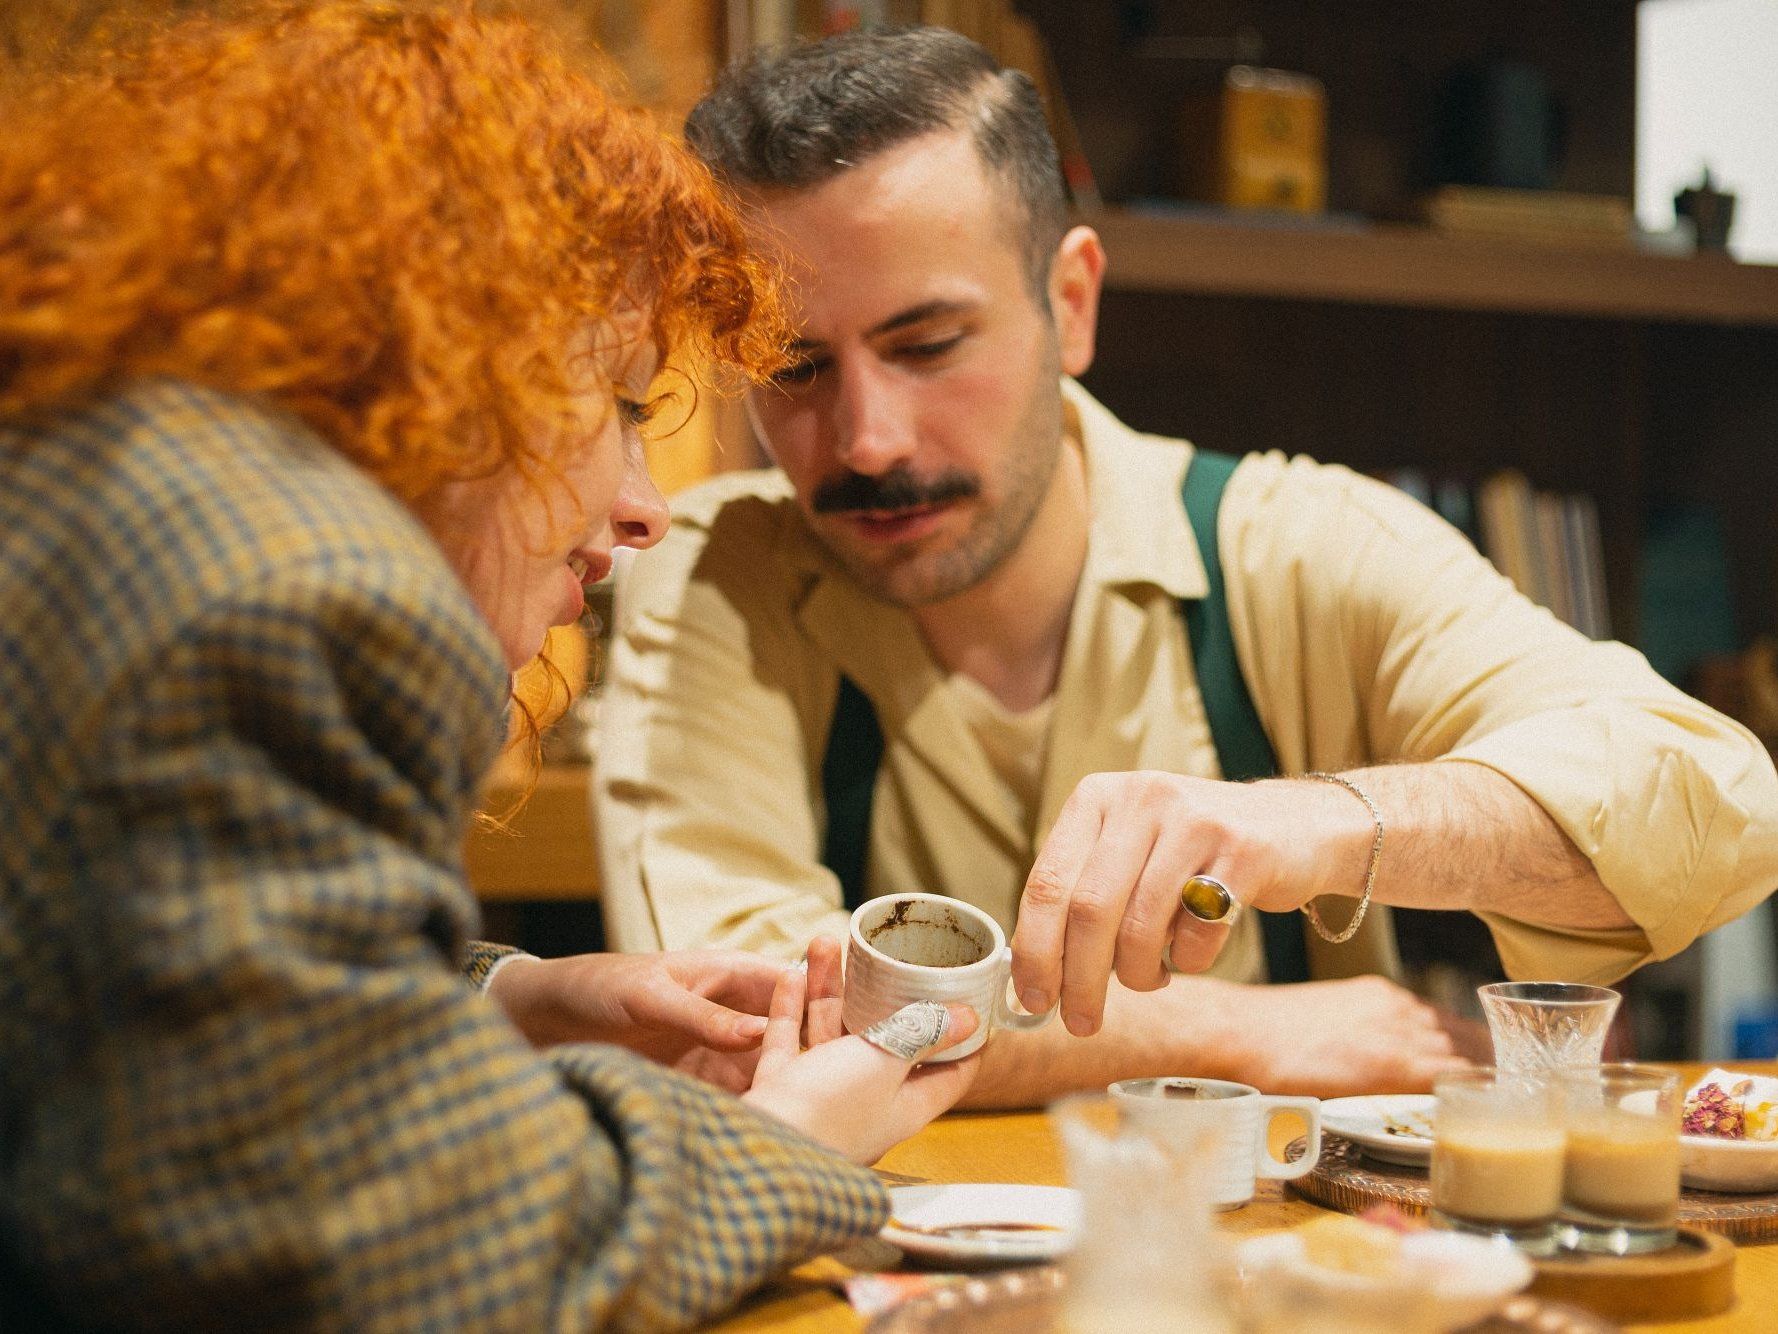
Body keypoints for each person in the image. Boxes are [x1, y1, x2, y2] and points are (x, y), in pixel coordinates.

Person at [0, 5, 981, 1330]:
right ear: (445, 344)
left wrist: (517, 996)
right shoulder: (303, 591)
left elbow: (158, 988)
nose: (644, 506)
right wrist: (792, 1135)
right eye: (624, 405)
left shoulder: (153, 480)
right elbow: (440, 1258)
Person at [594, 25, 1778, 1107]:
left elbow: (1713, 800)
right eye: (793, 366)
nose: (865, 439)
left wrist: (1320, 822)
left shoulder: (1290, 542)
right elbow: (740, 1016)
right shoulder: (713, 578)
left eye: (926, 344)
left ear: (1070, 302)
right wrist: (1238, 1029)